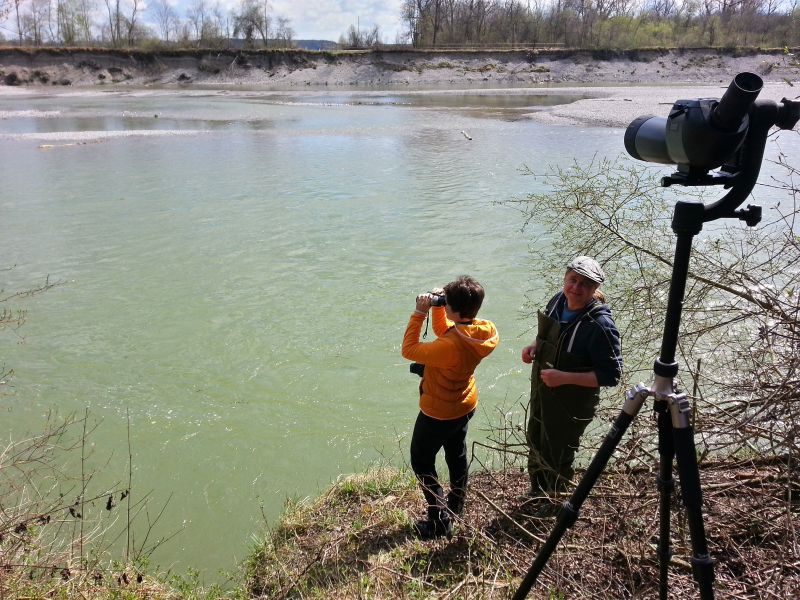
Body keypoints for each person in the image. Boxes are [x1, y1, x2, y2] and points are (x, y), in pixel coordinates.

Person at [401, 275, 499, 539]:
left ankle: (438, 520)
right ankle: (456, 506)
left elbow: (409, 349)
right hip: (464, 403)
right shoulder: (479, 331)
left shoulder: (450, 347)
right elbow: (445, 332)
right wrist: (439, 307)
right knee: (456, 455)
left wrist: (419, 312)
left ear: (453, 309)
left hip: (439, 412)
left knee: (421, 461)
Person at [521, 256, 622, 501]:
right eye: (572, 280)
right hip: (543, 391)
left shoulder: (600, 326)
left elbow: (610, 375)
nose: (576, 288)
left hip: (571, 404)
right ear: (565, 279)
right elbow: (546, 333)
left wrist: (563, 377)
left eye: (585, 284)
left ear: (595, 289)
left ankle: (555, 503)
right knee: (535, 440)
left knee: (558, 453)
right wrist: (534, 345)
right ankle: (537, 494)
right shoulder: (558, 301)